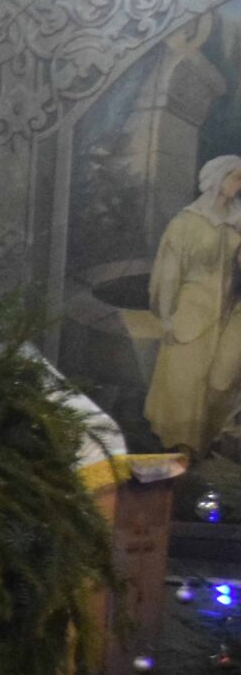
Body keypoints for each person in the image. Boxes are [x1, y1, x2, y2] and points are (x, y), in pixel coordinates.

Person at [145, 155, 241, 458]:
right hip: (191, 312)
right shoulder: (186, 222)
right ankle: (181, 447)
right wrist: (167, 316)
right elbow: (169, 273)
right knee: (186, 381)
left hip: (227, 313)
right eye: (234, 177)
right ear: (217, 178)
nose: (239, 184)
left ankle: (208, 439)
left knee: (220, 380)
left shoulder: (237, 221)